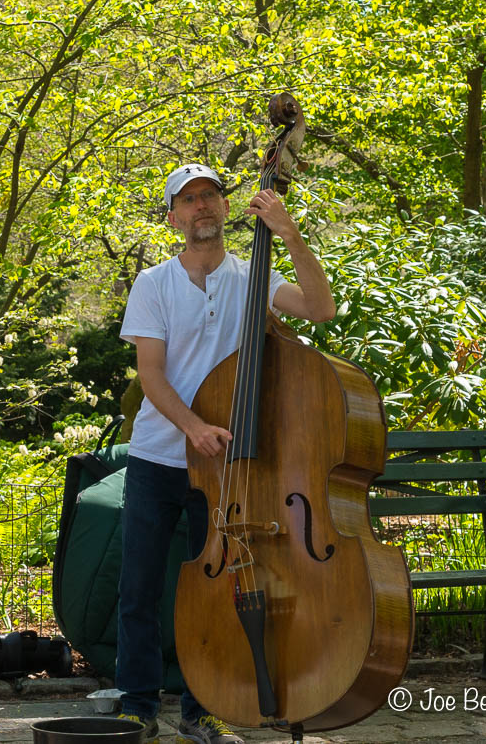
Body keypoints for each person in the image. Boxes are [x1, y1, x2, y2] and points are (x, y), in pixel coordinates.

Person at [116, 162, 336, 744]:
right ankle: (137, 706)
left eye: (209, 196)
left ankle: (202, 707)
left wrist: (288, 233)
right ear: (173, 218)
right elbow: (152, 376)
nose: (201, 207)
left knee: (217, 590)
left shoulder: (251, 275)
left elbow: (320, 309)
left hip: (227, 470)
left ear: (223, 207)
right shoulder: (153, 284)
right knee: (138, 589)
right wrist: (193, 426)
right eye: (188, 201)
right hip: (160, 456)